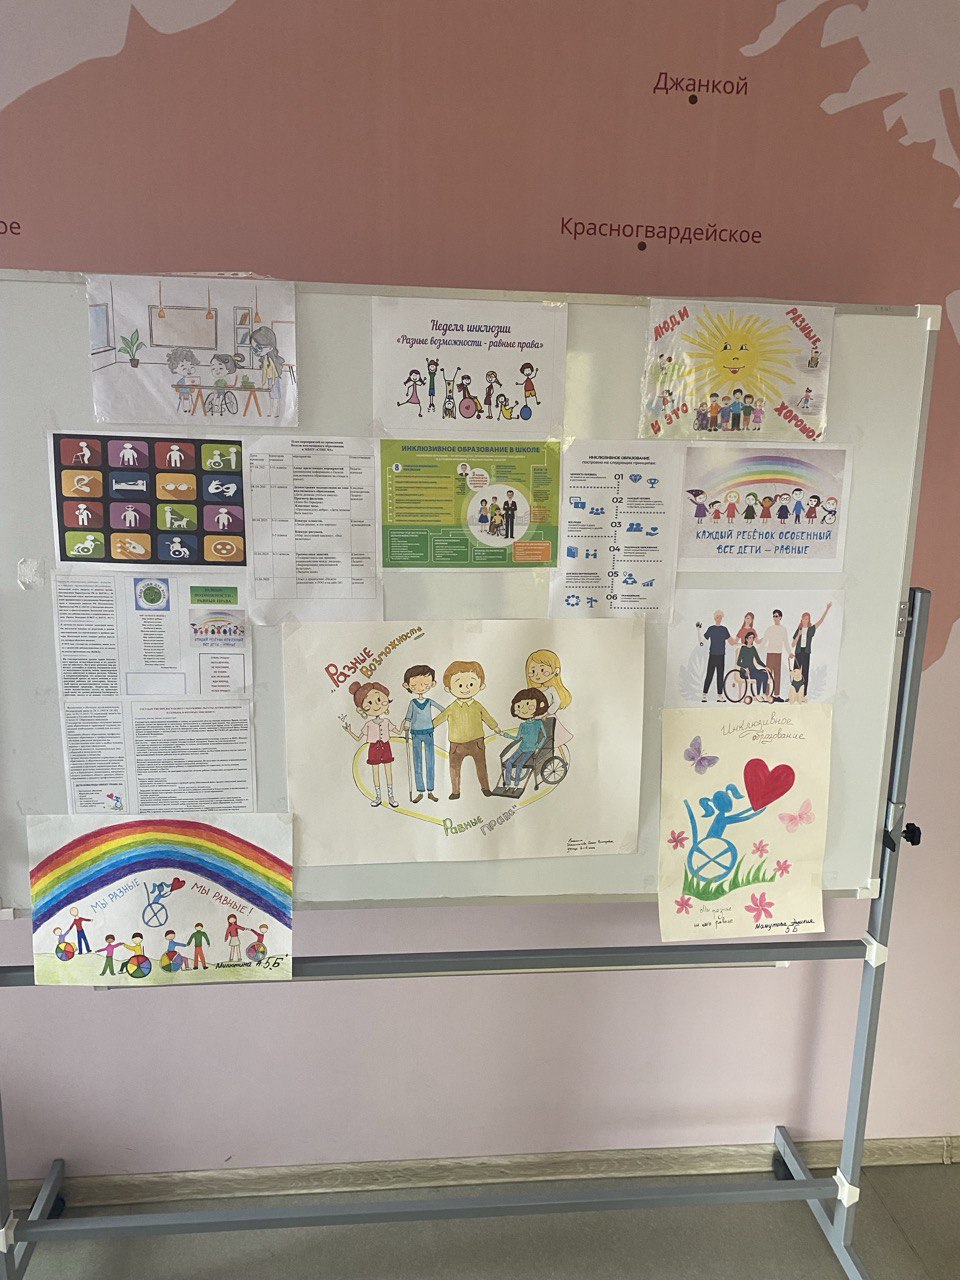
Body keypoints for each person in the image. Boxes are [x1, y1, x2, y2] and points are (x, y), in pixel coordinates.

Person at [432, 661, 498, 800]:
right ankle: (455, 791)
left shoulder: (477, 705)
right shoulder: (452, 707)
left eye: (471, 684)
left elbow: (487, 717)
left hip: (476, 742)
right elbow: (439, 718)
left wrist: (495, 728)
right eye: (460, 685)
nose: (465, 689)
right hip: (457, 744)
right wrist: (428, 727)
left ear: (481, 685)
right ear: (448, 688)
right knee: (454, 768)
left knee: (481, 766)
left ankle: (485, 788)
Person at [342, 680, 402, 808]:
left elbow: (398, 731)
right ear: (362, 709)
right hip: (373, 748)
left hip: (386, 746)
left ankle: (391, 797)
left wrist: (405, 724)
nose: (376, 705)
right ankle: (378, 797)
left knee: (388, 772)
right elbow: (358, 738)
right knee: (376, 773)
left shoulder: (386, 722)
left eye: (379, 699)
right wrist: (349, 731)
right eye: (369, 703)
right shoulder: (368, 724)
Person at [400, 664, 443, 803]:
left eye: (425, 684)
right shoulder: (413, 702)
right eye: (414, 685)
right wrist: (407, 724)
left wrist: (435, 722)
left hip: (429, 733)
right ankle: (420, 791)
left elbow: (443, 710)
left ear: (432, 684)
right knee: (417, 762)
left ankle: (430, 791)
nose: (420, 687)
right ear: (407, 686)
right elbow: (408, 717)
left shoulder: (429, 701)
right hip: (415, 734)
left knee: (430, 761)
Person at [499, 688, 549, 793]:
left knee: (519, 764)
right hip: (521, 748)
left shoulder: (538, 723)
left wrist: (538, 747)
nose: (524, 709)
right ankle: (508, 784)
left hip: (531, 749)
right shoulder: (522, 725)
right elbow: (517, 738)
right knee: (509, 762)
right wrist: (505, 735)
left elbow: (544, 736)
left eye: (527, 704)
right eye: (519, 706)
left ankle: (516, 785)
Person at [524, 648, 572, 747]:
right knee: (537, 742)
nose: (537, 675)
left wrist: (548, 713)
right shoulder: (532, 691)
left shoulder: (551, 689)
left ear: (556, 671)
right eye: (533, 671)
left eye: (542, 670)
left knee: (554, 741)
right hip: (535, 720)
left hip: (548, 719)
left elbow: (557, 702)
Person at [792, 603, 832, 696]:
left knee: (805, 673)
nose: (804, 620)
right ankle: (794, 693)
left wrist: (827, 609)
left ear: (809, 620)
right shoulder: (799, 629)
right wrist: (799, 634)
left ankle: (803, 694)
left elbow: (821, 621)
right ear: (801, 619)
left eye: (806, 619)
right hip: (798, 652)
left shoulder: (811, 629)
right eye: (803, 618)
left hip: (806, 653)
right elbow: (793, 644)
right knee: (795, 672)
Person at [698, 610, 734, 702]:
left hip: (721, 655)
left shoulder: (724, 629)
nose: (719, 619)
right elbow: (702, 642)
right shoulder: (711, 629)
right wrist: (698, 630)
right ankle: (704, 695)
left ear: (722, 618)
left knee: (720, 676)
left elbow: (731, 642)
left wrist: (743, 643)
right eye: (717, 617)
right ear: (715, 618)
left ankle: (719, 696)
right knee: (709, 675)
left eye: (720, 617)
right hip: (713, 655)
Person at [252, 325, 285, 418]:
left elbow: (274, 373)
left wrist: (273, 383)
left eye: (259, 348)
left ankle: (277, 413)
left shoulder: (272, 360)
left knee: (276, 397)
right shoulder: (265, 360)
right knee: (271, 397)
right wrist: (262, 384)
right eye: (253, 348)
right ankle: (270, 412)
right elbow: (264, 373)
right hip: (270, 380)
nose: (256, 351)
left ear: (270, 348)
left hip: (275, 380)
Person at [760, 608, 790, 699]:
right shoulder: (770, 629)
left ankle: (777, 695)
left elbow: (786, 642)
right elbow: (764, 640)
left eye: (776, 616)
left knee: (777, 675)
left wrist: (790, 653)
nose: (775, 618)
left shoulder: (783, 629)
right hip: (770, 654)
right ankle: (766, 695)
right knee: (768, 674)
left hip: (778, 654)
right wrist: (758, 650)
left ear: (780, 617)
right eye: (773, 616)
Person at [735, 631, 771, 700]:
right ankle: (758, 695)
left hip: (753, 670)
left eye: (753, 638)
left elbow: (758, 660)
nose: (751, 639)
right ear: (746, 639)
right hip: (745, 671)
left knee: (765, 674)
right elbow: (738, 662)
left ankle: (763, 694)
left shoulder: (753, 648)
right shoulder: (743, 648)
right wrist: (745, 668)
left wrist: (765, 667)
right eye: (750, 638)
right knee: (759, 676)